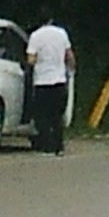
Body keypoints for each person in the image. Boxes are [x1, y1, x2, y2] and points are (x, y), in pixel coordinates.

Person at [26, 16, 76, 154]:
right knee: (56, 115)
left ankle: (46, 144)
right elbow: (70, 56)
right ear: (51, 20)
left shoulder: (35, 36)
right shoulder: (61, 33)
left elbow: (31, 59)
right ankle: (58, 145)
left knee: (42, 114)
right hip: (59, 79)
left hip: (42, 81)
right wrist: (71, 70)